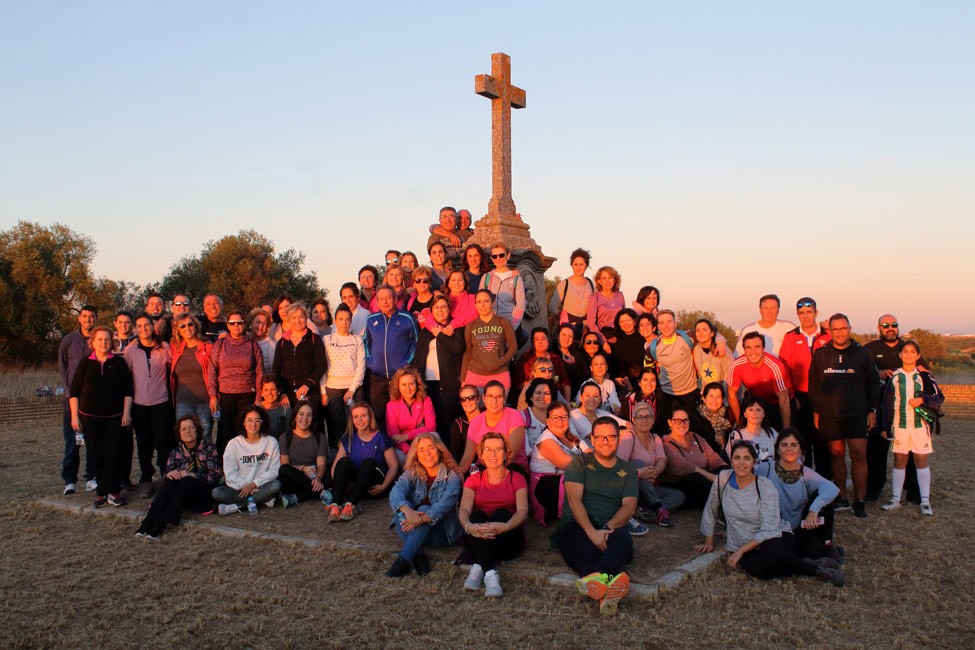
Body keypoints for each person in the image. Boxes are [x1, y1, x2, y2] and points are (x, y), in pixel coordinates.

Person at [695, 441, 844, 586]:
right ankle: (801, 562)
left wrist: (740, 551)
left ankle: (815, 570)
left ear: (754, 462)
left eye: (747, 458)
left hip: (775, 535)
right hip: (743, 541)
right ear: (731, 461)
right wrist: (709, 541)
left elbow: (769, 529)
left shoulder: (764, 486)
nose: (741, 463)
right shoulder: (723, 480)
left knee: (772, 556)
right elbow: (711, 508)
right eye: (737, 458)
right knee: (758, 571)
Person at [555, 417, 636, 617]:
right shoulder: (580, 462)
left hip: (610, 528)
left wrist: (605, 530)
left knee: (624, 540)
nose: (605, 441)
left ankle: (596, 580)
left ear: (618, 438)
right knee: (582, 546)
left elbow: (629, 506)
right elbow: (575, 501)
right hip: (577, 526)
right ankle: (607, 587)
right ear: (592, 439)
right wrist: (592, 533)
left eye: (610, 437)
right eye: (600, 437)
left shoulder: (628, 470)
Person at [808, 313, 880, 518]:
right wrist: (816, 409)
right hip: (830, 415)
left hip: (857, 412)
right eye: (835, 329)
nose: (839, 332)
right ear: (830, 331)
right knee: (837, 456)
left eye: (843, 328)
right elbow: (813, 382)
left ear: (849, 328)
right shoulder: (821, 354)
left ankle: (860, 500)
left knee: (859, 454)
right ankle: (842, 498)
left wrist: (873, 410)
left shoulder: (862, 353)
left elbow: (873, 383)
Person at [866, 314, 928, 503]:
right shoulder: (870, 349)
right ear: (879, 328)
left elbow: (926, 374)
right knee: (877, 451)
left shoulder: (908, 348)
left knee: (909, 451)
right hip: (881, 407)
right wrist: (879, 373)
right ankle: (874, 488)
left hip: (906, 410)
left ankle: (913, 490)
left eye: (894, 324)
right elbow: (863, 374)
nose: (890, 328)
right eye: (886, 325)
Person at [754, 429, 842, 561]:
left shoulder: (805, 473)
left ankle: (827, 544)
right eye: (784, 445)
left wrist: (814, 509)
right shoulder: (765, 469)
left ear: (800, 450)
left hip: (800, 526)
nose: (789, 449)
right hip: (777, 528)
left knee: (824, 498)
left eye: (794, 445)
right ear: (777, 450)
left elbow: (832, 489)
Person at [70, 326, 134, 508]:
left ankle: (114, 492)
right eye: (100, 339)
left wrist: (127, 412)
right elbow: (74, 391)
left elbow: (128, 389)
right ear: (93, 342)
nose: (104, 342)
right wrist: (74, 417)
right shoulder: (85, 363)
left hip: (115, 416)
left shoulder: (119, 363)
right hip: (89, 417)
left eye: (107, 339)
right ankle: (101, 493)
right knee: (96, 454)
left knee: (113, 453)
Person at [458, 432, 529, 596]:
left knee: (502, 513)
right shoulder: (474, 480)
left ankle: (478, 567)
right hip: (477, 536)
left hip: (508, 538)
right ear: (481, 454)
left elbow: (523, 511)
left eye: (498, 449)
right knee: (476, 516)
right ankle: (490, 574)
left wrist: (505, 527)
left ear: (506, 453)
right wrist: (469, 527)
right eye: (488, 450)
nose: (493, 454)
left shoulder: (517, 478)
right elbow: (463, 510)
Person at [880, 340, 944, 515]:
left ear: (918, 355)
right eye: (905, 351)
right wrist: (885, 426)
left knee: (921, 461)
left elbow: (939, 397)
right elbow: (886, 403)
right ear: (900, 355)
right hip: (899, 426)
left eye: (912, 351)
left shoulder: (924, 376)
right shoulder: (894, 376)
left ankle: (925, 501)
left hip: (919, 427)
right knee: (899, 462)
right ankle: (895, 499)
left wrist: (922, 400)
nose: (908, 354)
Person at [386, 434, 463, 577]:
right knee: (402, 506)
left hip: (441, 533)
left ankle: (403, 560)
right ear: (416, 455)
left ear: (439, 450)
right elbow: (395, 493)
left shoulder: (452, 476)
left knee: (424, 509)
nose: (427, 453)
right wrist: (407, 511)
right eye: (421, 450)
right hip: (414, 529)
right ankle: (417, 555)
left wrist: (419, 518)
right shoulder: (411, 473)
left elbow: (445, 505)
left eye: (431, 448)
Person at [135, 414, 222, 539]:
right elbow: (168, 477)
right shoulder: (175, 452)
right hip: (180, 496)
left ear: (197, 430)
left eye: (191, 428)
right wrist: (169, 474)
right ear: (179, 433)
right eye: (184, 429)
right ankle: (148, 520)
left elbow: (215, 476)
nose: (188, 431)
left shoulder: (209, 449)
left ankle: (161, 523)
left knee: (187, 480)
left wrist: (193, 475)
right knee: (171, 479)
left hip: (203, 495)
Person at [778, 297, 831, 477]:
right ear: (797, 314)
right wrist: (793, 395)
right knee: (804, 442)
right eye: (802, 313)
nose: (806, 316)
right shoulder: (791, 337)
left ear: (816, 313)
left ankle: (824, 482)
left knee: (823, 443)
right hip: (800, 397)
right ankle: (804, 481)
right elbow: (785, 368)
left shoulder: (827, 336)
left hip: (824, 397)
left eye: (809, 312)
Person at [123, 313, 173, 499]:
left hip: (161, 402)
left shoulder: (164, 348)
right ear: (135, 329)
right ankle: (146, 478)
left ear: (153, 327)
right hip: (139, 404)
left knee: (162, 442)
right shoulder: (131, 350)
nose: (144, 329)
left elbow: (173, 371)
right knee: (144, 443)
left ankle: (166, 475)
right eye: (140, 326)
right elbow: (127, 378)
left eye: (147, 325)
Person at [326, 402, 398, 523]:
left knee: (368, 462)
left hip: (374, 485)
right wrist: (341, 484)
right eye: (356, 416)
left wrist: (384, 486)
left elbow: (394, 465)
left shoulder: (380, 436)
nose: (360, 420)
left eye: (363, 415)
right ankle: (336, 504)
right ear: (352, 420)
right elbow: (335, 467)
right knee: (344, 462)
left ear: (370, 417)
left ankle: (351, 505)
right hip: (355, 487)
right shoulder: (349, 438)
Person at [208, 309, 264, 455]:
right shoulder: (220, 344)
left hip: (247, 393)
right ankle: (226, 466)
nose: (236, 326)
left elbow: (259, 372)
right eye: (232, 323)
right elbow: (212, 370)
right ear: (228, 325)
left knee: (246, 431)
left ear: (244, 325)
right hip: (226, 394)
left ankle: (246, 463)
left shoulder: (252, 345)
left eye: (239, 323)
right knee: (226, 432)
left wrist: (258, 396)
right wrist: (213, 395)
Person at [620, 401, 684, 527]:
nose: (644, 420)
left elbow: (662, 459)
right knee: (638, 463)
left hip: (651, 488)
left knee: (678, 495)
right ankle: (659, 508)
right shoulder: (628, 437)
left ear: (653, 419)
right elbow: (619, 465)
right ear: (633, 419)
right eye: (640, 417)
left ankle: (647, 512)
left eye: (648, 416)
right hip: (632, 489)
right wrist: (641, 473)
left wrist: (656, 471)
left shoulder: (656, 438)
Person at [363, 285, 418, 428]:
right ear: (377, 301)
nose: (385, 302)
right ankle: (383, 448)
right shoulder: (371, 320)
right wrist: (371, 363)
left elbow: (415, 342)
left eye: (388, 298)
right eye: (381, 299)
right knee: (379, 416)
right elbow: (365, 342)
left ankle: (403, 446)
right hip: (377, 377)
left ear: (395, 299)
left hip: (399, 377)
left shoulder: (407, 318)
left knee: (401, 415)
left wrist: (406, 363)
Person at [529, 402, 591, 524]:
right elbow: (567, 464)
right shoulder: (546, 440)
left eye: (564, 417)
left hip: (569, 484)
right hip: (549, 488)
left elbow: (591, 454)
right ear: (547, 420)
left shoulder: (572, 439)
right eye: (555, 417)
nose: (560, 421)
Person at [212, 405, 282, 512]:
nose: (253, 424)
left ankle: (235, 507)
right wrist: (246, 487)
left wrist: (253, 484)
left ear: (262, 423)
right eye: (249, 420)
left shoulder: (271, 442)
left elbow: (274, 470)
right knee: (217, 493)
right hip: (240, 489)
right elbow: (230, 474)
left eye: (257, 421)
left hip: (261, 486)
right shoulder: (233, 444)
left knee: (276, 486)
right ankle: (264, 500)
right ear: (243, 422)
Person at [413, 295, 465, 439]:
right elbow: (418, 357)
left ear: (449, 310)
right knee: (430, 421)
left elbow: (457, 348)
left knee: (445, 420)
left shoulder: (456, 328)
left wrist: (441, 335)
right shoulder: (427, 331)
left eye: (443, 307)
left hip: (448, 381)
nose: (440, 310)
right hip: (428, 381)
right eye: (436, 307)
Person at [58, 305, 97, 495]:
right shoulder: (68, 340)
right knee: (72, 441)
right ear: (79, 319)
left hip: (92, 398)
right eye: (85, 316)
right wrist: (70, 391)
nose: (88, 320)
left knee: (92, 440)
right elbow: (63, 366)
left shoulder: (98, 340)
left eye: (91, 317)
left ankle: (91, 477)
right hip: (72, 398)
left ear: (95, 319)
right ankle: (69, 480)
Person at [659, 408, 728, 508]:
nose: (682, 424)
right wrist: (714, 478)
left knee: (725, 471)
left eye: (685, 420)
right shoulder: (665, 443)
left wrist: (726, 472)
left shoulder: (696, 438)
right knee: (696, 478)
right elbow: (686, 468)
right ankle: (720, 506)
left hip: (705, 480)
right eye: (677, 420)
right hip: (682, 484)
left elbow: (714, 459)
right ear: (670, 423)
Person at [271, 303, 327, 421]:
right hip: (289, 394)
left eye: (301, 317)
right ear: (289, 319)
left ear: (306, 318)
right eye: (294, 317)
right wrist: (282, 393)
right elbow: (276, 369)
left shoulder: (314, 339)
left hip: (310, 392)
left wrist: (307, 385)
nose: (298, 320)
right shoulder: (282, 342)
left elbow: (321, 366)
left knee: (312, 427)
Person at [320, 304, 366, 448]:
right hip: (333, 387)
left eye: (347, 319)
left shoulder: (357, 339)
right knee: (337, 423)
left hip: (355, 387)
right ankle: (338, 454)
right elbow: (323, 368)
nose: (344, 323)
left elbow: (361, 366)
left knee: (357, 422)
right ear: (335, 320)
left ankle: (358, 450)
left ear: (351, 321)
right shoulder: (327, 340)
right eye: (341, 319)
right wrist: (323, 392)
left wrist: (352, 389)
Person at [727, 332, 792, 430]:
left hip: (777, 402)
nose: (753, 352)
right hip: (757, 401)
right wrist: (740, 422)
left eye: (757, 347)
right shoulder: (737, 365)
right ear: (744, 349)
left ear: (763, 348)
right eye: (748, 347)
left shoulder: (775, 366)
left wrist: (786, 429)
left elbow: (784, 399)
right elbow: (732, 394)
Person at [459, 381, 527, 475]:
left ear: (504, 398)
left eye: (499, 397)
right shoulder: (476, 421)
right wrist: (457, 475)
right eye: (490, 396)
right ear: (483, 398)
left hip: (512, 467)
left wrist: (492, 474)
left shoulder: (514, 415)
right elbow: (467, 458)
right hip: (484, 468)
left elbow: (511, 454)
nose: (494, 401)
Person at [648, 310, 700, 423]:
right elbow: (649, 370)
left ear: (675, 323)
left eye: (669, 322)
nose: (666, 326)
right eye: (662, 323)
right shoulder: (652, 347)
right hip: (667, 395)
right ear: (657, 326)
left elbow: (708, 332)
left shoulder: (688, 337)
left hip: (690, 393)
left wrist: (720, 340)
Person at [170, 313, 215, 441]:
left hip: (204, 401)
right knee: (185, 436)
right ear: (178, 330)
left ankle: (205, 461)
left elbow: (214, 373)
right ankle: (188, 461)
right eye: (182, 326)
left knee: (205, 435)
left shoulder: (207, 347)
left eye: (190, 324)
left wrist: (214, 396)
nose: (187, 328)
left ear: (195, 326)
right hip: (182, 402)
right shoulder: (175, 348)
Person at [461, 290, 517, 392]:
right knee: (475, 407)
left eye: (486, 301)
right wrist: (463, 379)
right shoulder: (471, 326)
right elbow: (468, 352)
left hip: (500, 374)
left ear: (493, 303)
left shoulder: (503, 322)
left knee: (498, 407)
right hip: (475, 374)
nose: (483, 305)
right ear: (475, 305)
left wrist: (502, 361)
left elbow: (513, 347)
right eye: (479, 302)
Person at [278, 403, 329, 507]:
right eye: (301, 414)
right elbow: (285, 465)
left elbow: (321, 464)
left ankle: (298, 497)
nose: (305, 418)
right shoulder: (285, 437)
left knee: (333, 470)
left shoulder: (319, 437)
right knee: (283, 470)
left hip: (314, 475)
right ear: (295, 417)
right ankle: (322, 492)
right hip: (296, 477)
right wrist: (303, 468)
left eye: (309, 415)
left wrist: (318, 478)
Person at [385, 366, 437, 457]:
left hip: (423, 442)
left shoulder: (426, 400)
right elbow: (394, 437)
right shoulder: (391, 405)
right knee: (398, 456)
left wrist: (406, 436)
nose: (408, 388)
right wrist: (410, 452)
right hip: (403, 446)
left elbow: (431, 427)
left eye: (411, 384)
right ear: (398, 386)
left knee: (435, 435)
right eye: (404, 385)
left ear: (417, 384)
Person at [514, 328, 570, 403]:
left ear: (548, 341)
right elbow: (519, 384)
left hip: (556, 397)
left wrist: (567, 401)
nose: (540, 342)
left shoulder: (556, 358)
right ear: (532, 342)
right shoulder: (526, 359)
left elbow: (565, 382)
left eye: (543, 338)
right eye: (537, 339)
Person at [480, 242, 526, 332]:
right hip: (490, 325)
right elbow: (480, 302)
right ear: (491, 258)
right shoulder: (486, 278)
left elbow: (520, 305)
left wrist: (511, 327)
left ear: (508, 256)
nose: (498, 259)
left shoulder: (516, 278)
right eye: (495, 256)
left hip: (508, 323)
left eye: (501, 255)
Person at [549, 248, 595, 336]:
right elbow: (553, 306)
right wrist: (562, 317)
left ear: (586, 265)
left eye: (581, 264)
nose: (578, 267)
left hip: (586, 329)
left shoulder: (590, 283)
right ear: (572, 265)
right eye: (576, 264)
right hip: (568, 329)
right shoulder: (564, 284)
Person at [726, 396, 779, 463]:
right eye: (751, 410)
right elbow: (731, 460)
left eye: (758, 410)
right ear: (745, 414)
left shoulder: (772, 433)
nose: (754, 413)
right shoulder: (736, 435)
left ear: (764, 414)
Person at [585, 266, 625, 348]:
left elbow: (625, 318)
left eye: (610, 278)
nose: (607, 281)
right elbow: (591, 323)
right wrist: (603, 341)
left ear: (615, 279)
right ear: (599, 281)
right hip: (603, 335)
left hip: (619, 335)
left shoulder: (620, 295)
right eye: (604, 278)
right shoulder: (594, 297)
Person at [690, 381, 735, 454]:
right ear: (704, 398)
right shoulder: (695, 418)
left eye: (718, 397)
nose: (714, 400)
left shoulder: (728, 416)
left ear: (723, 400)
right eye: (711, 396)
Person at [692, 318, 732, 393]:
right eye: (698, 330)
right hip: (707, 396)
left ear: (712, 333)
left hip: (722, 396)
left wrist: (726, 400)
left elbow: (730, 378)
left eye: (705, 330)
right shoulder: (696, 350)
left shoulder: (722, 350)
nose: (701, 333)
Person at [610, 309, 644, 394]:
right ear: (619, 325)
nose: (626, 324)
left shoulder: (644, 337)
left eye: (628, 320)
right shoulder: (618, 342)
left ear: (635, 322)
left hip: (646, 379)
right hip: (628, 382)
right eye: (622, 321)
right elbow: (619, 365)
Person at [449, 385, 481, 465]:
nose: (467, 401)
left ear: (478, 399)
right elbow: (455, 451)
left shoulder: (488, 417)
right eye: (463, 399)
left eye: (471, 397)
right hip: (468, 465)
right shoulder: (458, 423)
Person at [555, 324, 586, 397]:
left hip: (580, 394)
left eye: (570, 336)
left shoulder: (578, 353)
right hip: (562, 396)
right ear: (557, 336)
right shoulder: (553, 355)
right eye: (563, 335)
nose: (567, 339)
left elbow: (585, 373)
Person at [247, 307, 275, 374]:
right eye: (258, 322)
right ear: (250, 324)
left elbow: (274, 370)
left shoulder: (271, 345)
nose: (261, 326)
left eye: (264, 323)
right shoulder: (245, 340)